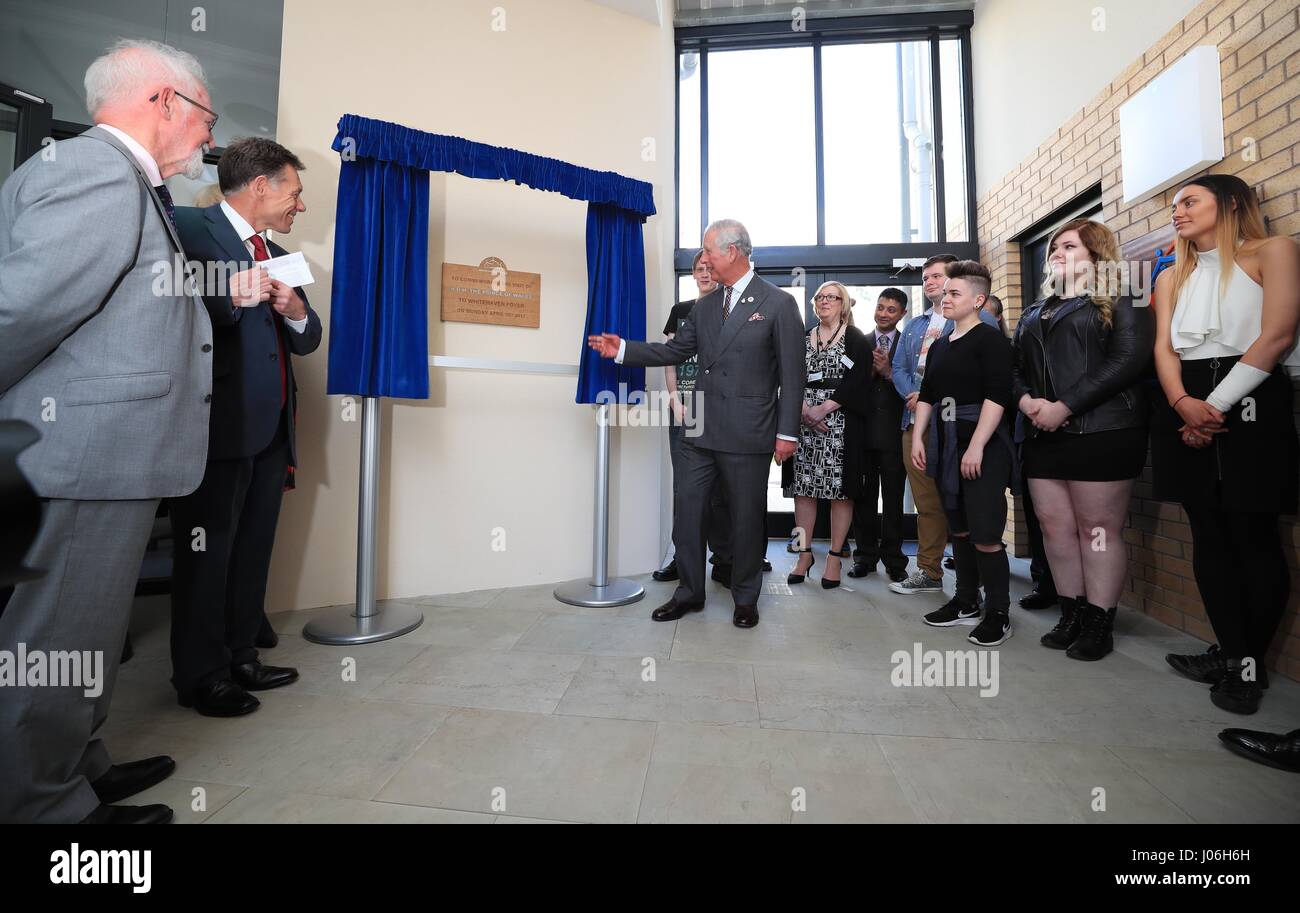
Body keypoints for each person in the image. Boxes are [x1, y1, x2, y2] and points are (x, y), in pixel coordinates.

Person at [0, 38, 216, 824]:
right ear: (164, 101)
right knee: (55, 638)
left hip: (105, 456)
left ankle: (76, 766)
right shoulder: (96, 171)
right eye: (206, 116)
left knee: (87, 632)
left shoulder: (122, 178)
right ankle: (42, 807)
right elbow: (20, 310)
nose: (207, 137)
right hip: (79, 457)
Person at [169, 137, 321, 717]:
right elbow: (157, 303)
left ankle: (241, 656)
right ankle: (202, 676)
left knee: (253, 549)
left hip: (272, 430)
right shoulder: (186, 227)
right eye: (295, 192)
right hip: (215, 428)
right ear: (262, 186)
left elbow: (309, 341)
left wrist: (297, 311)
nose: (299, 206)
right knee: (207, 556)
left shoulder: (275, 250)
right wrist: (226, 296)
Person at [588, 218, 804, 628]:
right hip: (699, 428)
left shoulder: (777, 303)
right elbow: (674, 351)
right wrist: (623, 351)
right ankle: (689, 592)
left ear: (732, 252)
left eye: (708, 252)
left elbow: (793, 376)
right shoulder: (705, 307)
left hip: (749, 431)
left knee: (744, 518)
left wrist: (787, 433)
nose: (703, 260)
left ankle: (745, 597)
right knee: (688, 515)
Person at [1152, 174, 1300, 715]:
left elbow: (1279, 333)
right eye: (1174, 205)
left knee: (1253, 534)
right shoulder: (1172, 276)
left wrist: (1212, 405)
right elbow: (1164, 350)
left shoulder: (1274, 251)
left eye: (1189, 201)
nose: (1177, 212)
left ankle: (1247, 667)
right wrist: (1181, 404)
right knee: (1208, 535)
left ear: (1231, 203)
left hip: (1252, 394)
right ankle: (1234, 652)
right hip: (1185, 400)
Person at [1012, 218, 1152, 661]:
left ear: (1096, 254)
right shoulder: (1037, 309)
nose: (1056, 251)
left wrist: (1064, 406)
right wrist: (1027, 402)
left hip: (1103, 431)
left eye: (1069, 245)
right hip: (1041, 432)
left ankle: (1098, 622)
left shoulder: (1124, 295)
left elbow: (1128, 360)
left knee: (1097, 531)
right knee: (1054, 529)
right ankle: (1070, 613)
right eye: (1054, 246)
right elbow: (1013, 368)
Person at [912, 260, 1017, 646]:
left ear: (978, 300)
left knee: (986, 531)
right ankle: (965, 600)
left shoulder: (991, 341)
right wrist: (921, 438)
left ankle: (999, 611)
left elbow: (998, 395)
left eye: (954, 293)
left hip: (981, 441)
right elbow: (928, 394)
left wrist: (976, 446)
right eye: (945, 292)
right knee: (959, 525)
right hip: (945, 439)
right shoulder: (940, 344)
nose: (945, 297)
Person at [890, 254, 1001, 596]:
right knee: (928, 503)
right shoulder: (915, 326)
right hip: (916, 422)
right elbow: (898, 368)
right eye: (926, 278)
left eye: (937, 276)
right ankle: (929, 570)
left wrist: (931, 399)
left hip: (963, 426)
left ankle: (979, 584)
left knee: (970, 504)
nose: (931, 283)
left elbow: (991, 385)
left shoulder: (982, 325)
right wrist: (915, 395)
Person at [781, 281, 870, 589]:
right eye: (820, 297)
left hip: (841, 425)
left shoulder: (856, 339)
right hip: (803, 424)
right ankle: (804, 554)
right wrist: (805, 410)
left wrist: (824, 410)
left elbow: (859, 381)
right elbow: (788, 373)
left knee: (841, 492)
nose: (824, 301)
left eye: (831, 297)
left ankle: (834, 557)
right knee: (802, 489)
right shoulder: (803, 337)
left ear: (843, 303)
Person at [654, 250, 729, 583]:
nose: (704, 273)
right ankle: (683, 560)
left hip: (721, 411)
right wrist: (674, 399)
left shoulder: (730, 309)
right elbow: (669, 358)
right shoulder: (681, 311)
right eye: (699, 269)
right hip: (686, 409)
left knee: (721, 490)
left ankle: (725, 560)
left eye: (710, 268)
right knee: (684, 489)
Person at [836, 289, 910, 583]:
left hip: (895, 436)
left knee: (893, 501)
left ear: (902, 314)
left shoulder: (909, 345)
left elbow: (917, 387)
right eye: (880, 307)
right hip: (862, 436)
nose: (883, 313)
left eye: (891, 310)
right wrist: (870, 373)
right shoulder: (858, 343)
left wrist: (889, 371)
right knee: (864, 499)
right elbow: (845, 386)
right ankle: (864, 557)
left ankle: (894, 559)